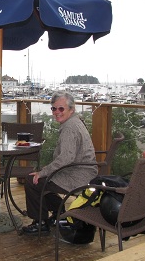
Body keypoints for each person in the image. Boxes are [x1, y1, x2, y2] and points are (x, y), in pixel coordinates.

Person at [22, 91, 98, 235]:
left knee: (32, 181)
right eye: (54, 108)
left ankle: (40, 223)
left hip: (77, 175)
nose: (57, 112)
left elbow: (66, 158)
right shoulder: (75, 121)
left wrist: (43, 172)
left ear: (71, 109)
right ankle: (58, 211)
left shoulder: (70, 128)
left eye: (61, 108)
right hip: (80, 170)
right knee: (42, 180)